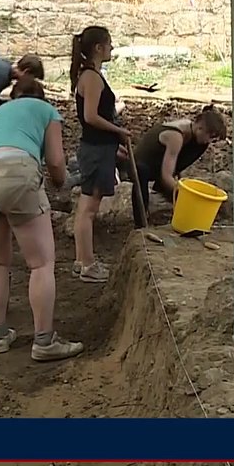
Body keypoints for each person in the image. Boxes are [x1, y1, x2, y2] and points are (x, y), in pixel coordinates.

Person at [0, 76, 84, 362]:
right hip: (16, 172)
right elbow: (56, 161)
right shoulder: (47, 111)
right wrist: (60, 183)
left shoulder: (0, 111)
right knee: (41, 263)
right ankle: (44, 341)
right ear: (40, 97)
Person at [69, 25, 129, 284]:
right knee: (88, 209)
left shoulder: (91, 76)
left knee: (87, 207)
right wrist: (118, 130)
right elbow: (90, 116)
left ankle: (81, 260)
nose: (112, 48)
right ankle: (87, 264)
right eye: (109, 43)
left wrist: (116, 141)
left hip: (101, 148)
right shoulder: (91, 78)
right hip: (95, 150)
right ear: (98, 48)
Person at [130, 106, 228, 227]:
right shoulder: (175, 137)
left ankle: (167, 193)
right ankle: (140, 223)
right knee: (142, 172)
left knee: (200, 145)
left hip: (159, 164)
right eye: (210, 136)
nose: (210, 141)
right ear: (200, 127)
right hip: (141, 165)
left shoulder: (193, 132)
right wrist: (187, 194)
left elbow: (178, 161)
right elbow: (166, 176)